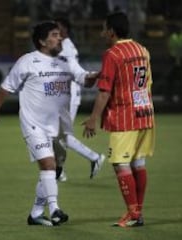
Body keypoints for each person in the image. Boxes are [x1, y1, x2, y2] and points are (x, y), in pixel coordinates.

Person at [0, 21, 99, 227]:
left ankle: (36, 213)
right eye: (55, 35)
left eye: (59, 34)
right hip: (34, 124)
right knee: (48, 164)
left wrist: (97, 75)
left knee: (53, 170)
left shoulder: (66, 62)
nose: (60, 38)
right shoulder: (28, 61)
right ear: (42, 41)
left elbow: (85, 79)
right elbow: (6, 87)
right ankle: (55, 210)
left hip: (58, 127)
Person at [82, 12, 155, 228]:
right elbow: (148, 82)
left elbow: (104, 92)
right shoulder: (142, 50)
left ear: (112, 31)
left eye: (104, 29)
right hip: (146, 112)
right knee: (138, 163)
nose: (102, 33)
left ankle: (133, 214)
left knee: (120, 164)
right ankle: (137, 213)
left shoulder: (112, 54)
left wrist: (93, 118)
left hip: (125, 116)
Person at [54, 17, 105, 182]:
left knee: (61, 134)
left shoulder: (66, 47)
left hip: (70, 93)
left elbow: (74, 70)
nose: (56, 30)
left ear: (66, 30)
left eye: (59, 27)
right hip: (64, 93)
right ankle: (61, 169)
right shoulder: (62, 45)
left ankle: (91, 159)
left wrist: (89, 76)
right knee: (57, 134)